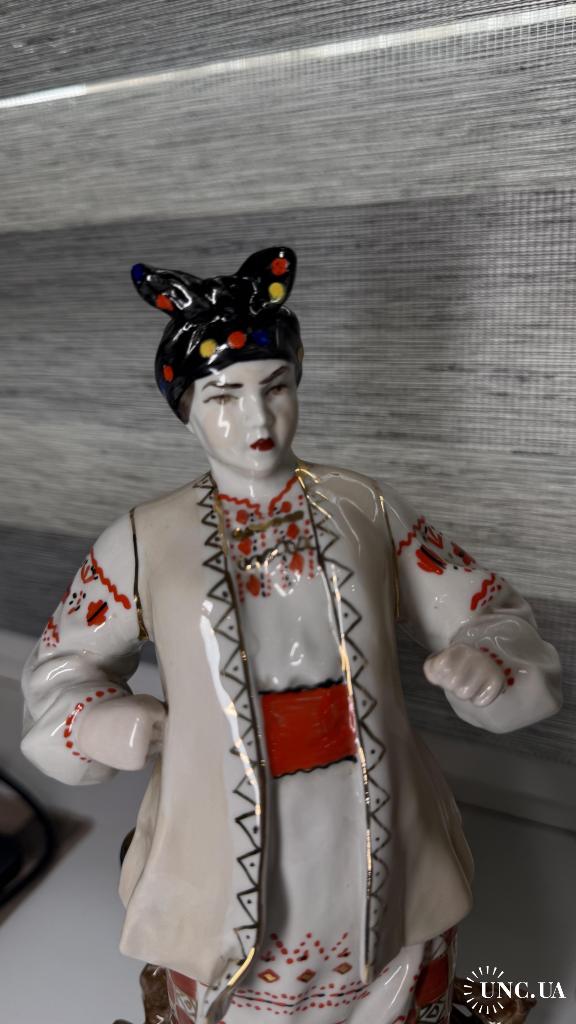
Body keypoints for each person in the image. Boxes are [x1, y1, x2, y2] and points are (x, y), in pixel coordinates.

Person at [21, 247, 561, 1024]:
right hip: (221, 816)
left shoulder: (366, 509)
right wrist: (96, 721)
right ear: (187, 408)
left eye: (274, 388)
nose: (257, 419)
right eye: (224, 397)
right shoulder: (143, 540)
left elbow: (485, 606)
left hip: (371, 810)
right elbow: (62, 665)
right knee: (239, 970)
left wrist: (488, 657)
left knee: (393, 958)